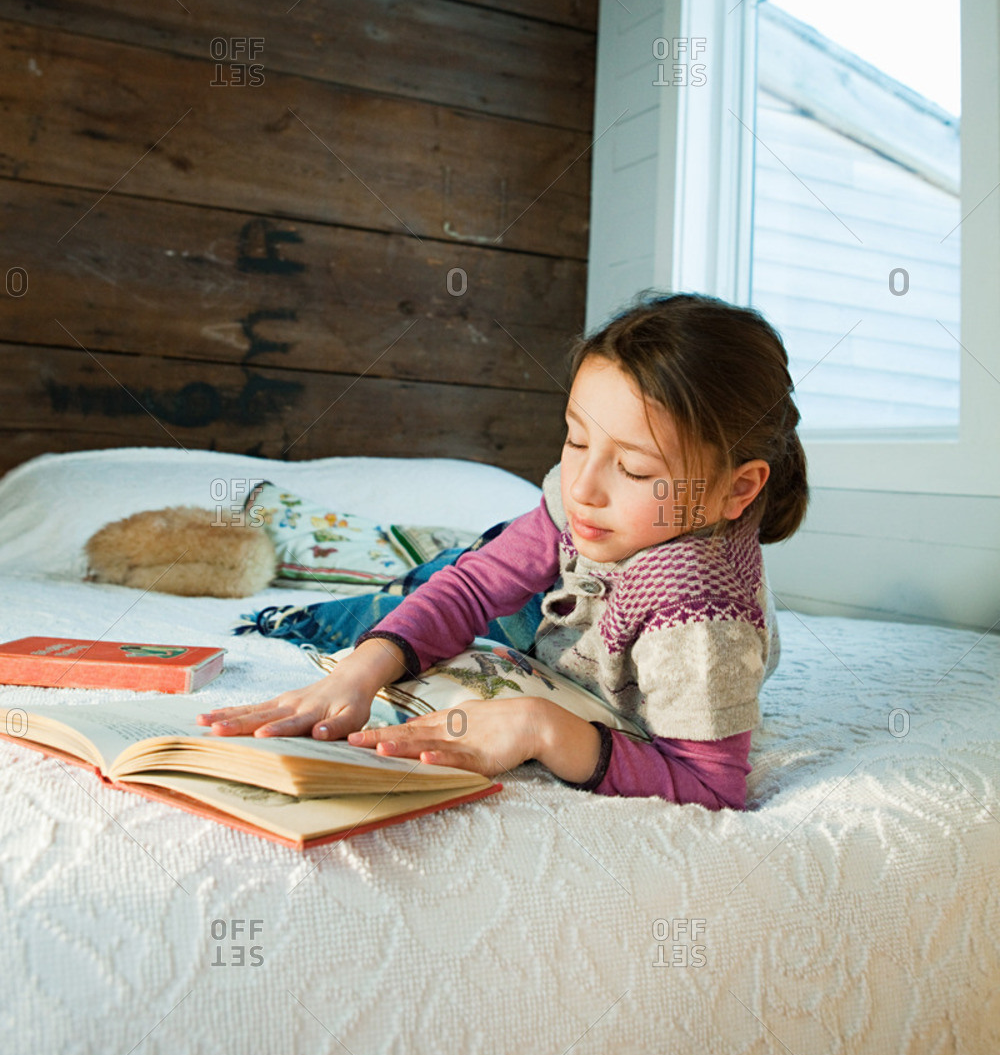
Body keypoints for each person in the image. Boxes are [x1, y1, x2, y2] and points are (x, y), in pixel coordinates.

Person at [198, 293, 809, 810]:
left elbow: (710, 786)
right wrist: (365, 669)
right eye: (575, 439)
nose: (583, 487)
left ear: (739, 488)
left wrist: (542, 727)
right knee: (406, 600)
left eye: (632, 467)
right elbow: (471, 587)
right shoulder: (588, 506)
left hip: (561, 625)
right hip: (535, 599)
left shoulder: (700, 618)